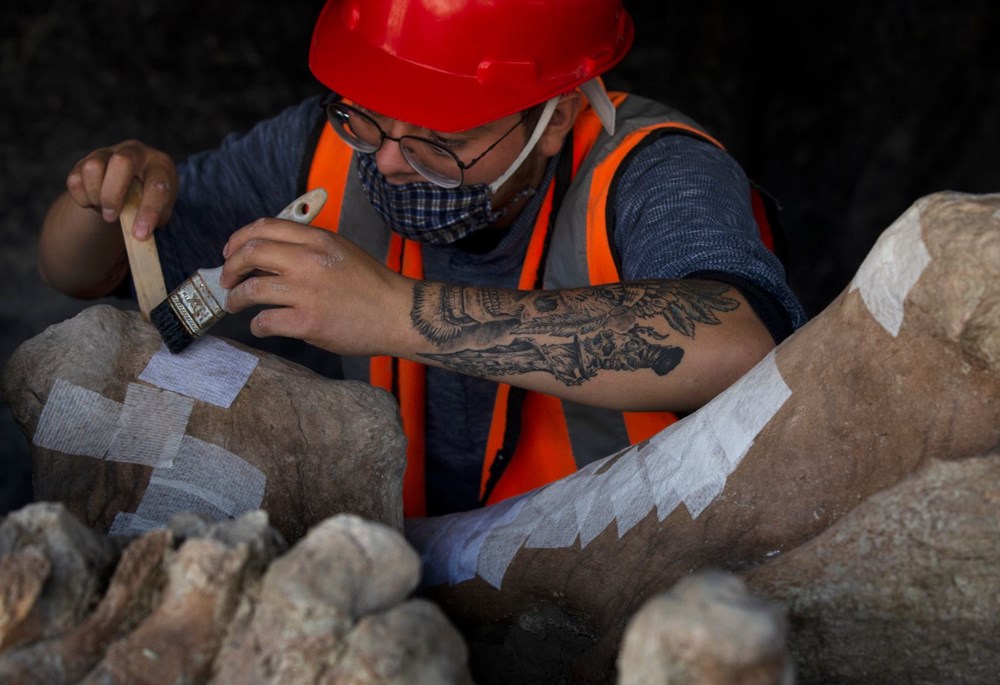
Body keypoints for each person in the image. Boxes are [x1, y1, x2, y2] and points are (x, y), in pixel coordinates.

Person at [38, 0, 807, 517]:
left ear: (557, 114)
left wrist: (396, 313)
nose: (394, 162)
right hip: (411, 572)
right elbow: (82, 272)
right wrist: (102, 198)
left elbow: (741, 342)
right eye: (370, 119)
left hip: (621, 576)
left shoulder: (653, 171)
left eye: (446, 136)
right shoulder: (323, 144)